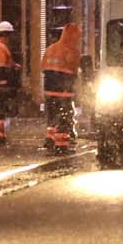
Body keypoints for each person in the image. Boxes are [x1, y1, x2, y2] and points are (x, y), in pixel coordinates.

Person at [41, 22, 82, 153]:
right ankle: (61, 144)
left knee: (52, 116)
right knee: (64, 117)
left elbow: (43, 68)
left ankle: (49, 139)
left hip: (49, 90)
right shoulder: (72, 51)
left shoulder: (50, 48)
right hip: (63, 92)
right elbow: (74, 72)